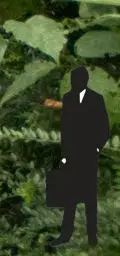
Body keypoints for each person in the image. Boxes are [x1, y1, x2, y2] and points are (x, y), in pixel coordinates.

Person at [52, 66, 109, 246]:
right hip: (71, 154)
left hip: (89, 154)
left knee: (90, 197)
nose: (75, 83)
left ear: (84, 80)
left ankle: (92, 237)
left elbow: (104, 127)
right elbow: (65, 129)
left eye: (78, 79)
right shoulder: (67, 98)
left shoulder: (96, 99)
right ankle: (65, 234)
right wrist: (64, 155)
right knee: (70, 197)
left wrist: (97, 148)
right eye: (73, 80)